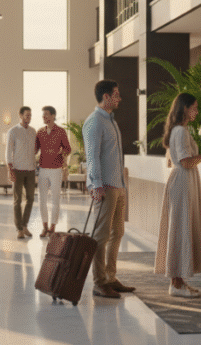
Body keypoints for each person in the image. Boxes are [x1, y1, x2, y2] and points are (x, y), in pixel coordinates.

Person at [155, 93, 201, 298]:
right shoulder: (181, 132)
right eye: (194, 107)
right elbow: (185, 162)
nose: (196, 111)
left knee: (180, 229)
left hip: (182, 181)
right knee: (181, 230)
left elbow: (172, 161)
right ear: (184, 109)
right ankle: (176, 283)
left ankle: (179, 281)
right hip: (183, 181)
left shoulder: (177, 130)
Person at [83, 79, 135, 299]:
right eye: (116, 94)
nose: (119, 98)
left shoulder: (110, 121)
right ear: (106, 97)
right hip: (104, 187)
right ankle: (99, 282)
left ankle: (110, 277)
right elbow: (92, 155)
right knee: (101, 236)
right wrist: (95, 184)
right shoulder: (94, 122)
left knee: (117, 233)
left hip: (118, 185)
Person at [34, 105, 72, 238]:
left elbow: (68, 149)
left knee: (56, 199)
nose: (44, 117)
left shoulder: (61, 132)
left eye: (46, 114)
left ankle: (53, 227)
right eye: (43, 115)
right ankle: (44, 227)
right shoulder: (40, 132)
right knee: (41, 199)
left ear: (53, 116)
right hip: (43, 169)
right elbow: (35, 150)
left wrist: (62, 152)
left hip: (56, 170)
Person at [6, 106, 37, 239]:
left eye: (30, 116)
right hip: (17, 170)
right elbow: (8, 152)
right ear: (20, 115)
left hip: (30, 170)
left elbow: (34, 150)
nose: (28, 118)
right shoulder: (13, 131)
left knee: (30, 199)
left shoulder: (33, 131)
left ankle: (25, 226)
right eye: (26, 115)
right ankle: (19, 229)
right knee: (17, 200)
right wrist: (10, 170)